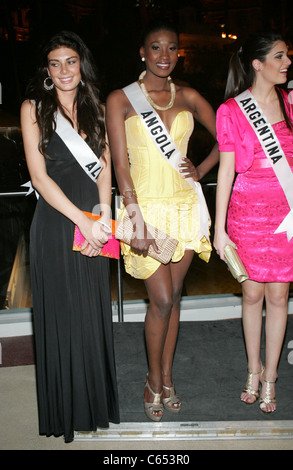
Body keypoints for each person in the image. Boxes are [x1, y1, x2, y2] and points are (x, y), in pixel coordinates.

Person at [106, 19, 218, 421]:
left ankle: (168, 378)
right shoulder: (120, 99)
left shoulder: (187, 95)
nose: (164, 55)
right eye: (156, 47)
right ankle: (153, 380)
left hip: (186, 208)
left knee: (174, 301)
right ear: (142, 51)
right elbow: (121, 166)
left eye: (172, 47)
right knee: (163, 299)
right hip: (146, 210)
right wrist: (132, 216)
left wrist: (202, 170)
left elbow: (231, 135)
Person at [21, 30, 119, 442]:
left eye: (71, 61)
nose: (64, 70)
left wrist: (103, 219)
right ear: (47, 70)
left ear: (82, 65)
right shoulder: (33, 109)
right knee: (62, 317)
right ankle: (65, 412)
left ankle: (94, 405)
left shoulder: (95, 105)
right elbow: (40, 179)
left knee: (91, 312)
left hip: (93, 222)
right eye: (55, 63)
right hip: (58, 223)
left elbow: (105, 167)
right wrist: (82, 222)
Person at [214, 31, 293, 413]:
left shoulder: (292, 104)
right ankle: (252, 367)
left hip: (285, 215)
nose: (288, 63)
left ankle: (271, 376)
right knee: (252, 294)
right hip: (246, 213)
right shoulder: (231, 110)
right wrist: (218, 228)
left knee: (279, 297)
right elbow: (226, 172)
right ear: (258, 64)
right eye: (279, 57)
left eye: (287, 56)